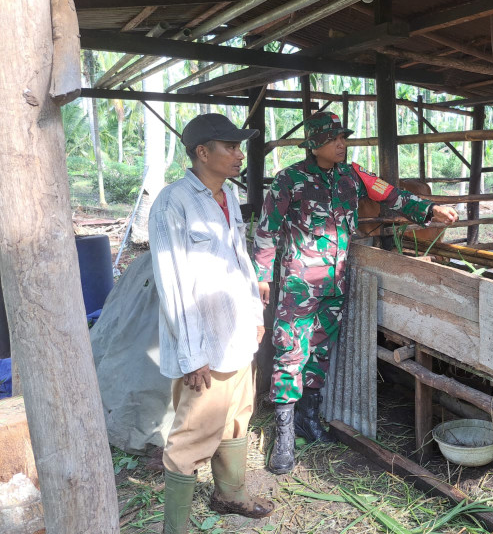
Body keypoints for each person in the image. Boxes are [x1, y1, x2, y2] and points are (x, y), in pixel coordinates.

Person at [253, 111, 458, 474]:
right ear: (315, 144)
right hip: (299, 284)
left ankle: (308, 420)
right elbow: (267, 228)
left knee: (319, 350)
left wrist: (430, 211)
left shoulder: (353, 176)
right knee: (289, 350)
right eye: (334, 140)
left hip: (337, 282)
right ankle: (283, 437)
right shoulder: (290, 180)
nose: (342, 144)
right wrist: (262, 276)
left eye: (343, 138)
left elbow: (392, 196)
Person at [149, 114, 273, 534]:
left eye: (239, 147)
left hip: (236, 334)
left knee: (237, 417)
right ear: (202, 152)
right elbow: (172, 285)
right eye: (230, 147)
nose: (240, 155)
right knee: (191, 437)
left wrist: (255, 317)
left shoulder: (225, 197)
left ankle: (230, 494)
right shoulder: (173, 202)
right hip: (204, 344)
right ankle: (175, 529)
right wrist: (192, 354)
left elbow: (240, 263)